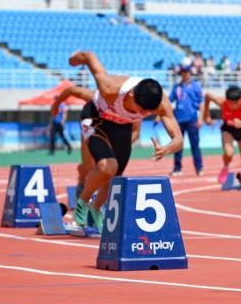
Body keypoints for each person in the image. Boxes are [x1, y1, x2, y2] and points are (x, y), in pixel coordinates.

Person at [68, 50, 183, 230]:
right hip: (96, 118)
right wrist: (74, 60)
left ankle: (96, 209)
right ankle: (82, 202)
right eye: (142, 110)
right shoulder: (110, 88)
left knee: (115, 177)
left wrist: (168, 148)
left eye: (149, 112)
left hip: (121, 125)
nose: (145, 114)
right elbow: (89, 57)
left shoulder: (161, 103)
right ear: (131, 95)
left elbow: (178, 139)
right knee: (107, 167)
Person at [203, 85, 241, 190]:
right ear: (227, 100)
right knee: (229, 153)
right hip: (228, 128)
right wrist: (206, 115)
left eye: (236, 103)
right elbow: (208, 96)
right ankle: (226, 167)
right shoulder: (222, 102)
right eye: (230, 103)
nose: (233, 106)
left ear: (240, 100)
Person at [168, 64, 203, 177]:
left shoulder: (196, 86)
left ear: (189, 73)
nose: (185, 74)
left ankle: (199, 168)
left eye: (186, 72)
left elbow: (201, 103)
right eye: (183, 72)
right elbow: (169, 101)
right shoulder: (177, 87)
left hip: (192, 120)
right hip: (179, 120)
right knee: (178, 144)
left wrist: (200, 118)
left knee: (195, 145)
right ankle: (177, 168)